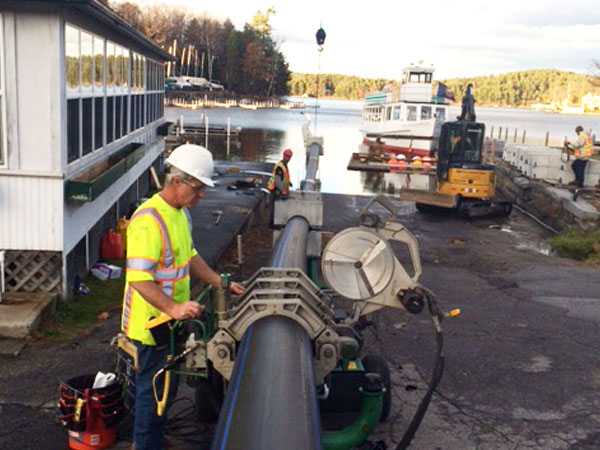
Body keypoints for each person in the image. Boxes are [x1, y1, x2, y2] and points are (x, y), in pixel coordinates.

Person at [122, 144, 244, 450]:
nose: (201, 195)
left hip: (170, 322)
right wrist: (174, 308)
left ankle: (155, 438)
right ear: (176, 181)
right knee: (153, 391)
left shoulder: (179, 214)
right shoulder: (148, 220)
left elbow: (189, 257)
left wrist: (219, 283)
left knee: (168, 388)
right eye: (198, 188)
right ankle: (146, 444)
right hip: (151, 325)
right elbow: (138, 278)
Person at [267, 149, 293, 227]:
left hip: (278, 190)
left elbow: (284, 178)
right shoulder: (280, 166)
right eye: (286, 156)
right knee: (275, 208)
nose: (287, 158)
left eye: (289, 157)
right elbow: (278, 180)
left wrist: (289, 183)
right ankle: (272, 224)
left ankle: (273, 223)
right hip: (275, 190)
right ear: (283, 155)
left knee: (276, 208)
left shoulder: (284, 166)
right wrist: (281, 191)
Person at [565, 126, 594, 192]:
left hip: (583, 156)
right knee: (574, 166)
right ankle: (577, 180)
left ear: (578, 131)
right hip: (584, 155)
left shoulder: (582, 136)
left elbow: (577, 144)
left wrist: (569, 142)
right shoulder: (586, 135)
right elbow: (581, 146)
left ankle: (580, 185)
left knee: (580, 170)